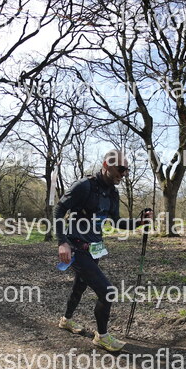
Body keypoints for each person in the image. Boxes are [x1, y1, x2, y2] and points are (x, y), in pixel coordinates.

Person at [54, 149, 153, 352]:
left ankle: (66, 320)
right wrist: (62, 242)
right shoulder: (84, 186)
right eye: (121, 169)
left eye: (126, 170)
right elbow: (59, 209)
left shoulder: (113, 193)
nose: (124, 174)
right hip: (76, 248)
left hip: (95, 248)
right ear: (107, 165)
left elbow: (116, 222)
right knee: (107, 291)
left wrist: (139, 222)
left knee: (80, 286)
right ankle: (102, 336)